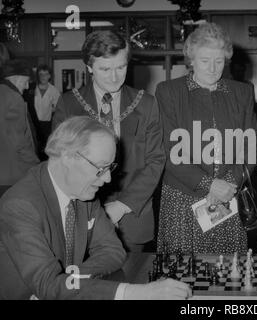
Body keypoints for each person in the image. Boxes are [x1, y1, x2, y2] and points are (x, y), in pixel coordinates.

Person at [0, 116, 191, 300]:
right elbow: (47, 285)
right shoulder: (20, 206)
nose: (107, 178)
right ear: (67, 157)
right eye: (101, 168)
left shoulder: (84, 193)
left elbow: (113, 251)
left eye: (110, 168)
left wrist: (67, 282)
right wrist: (137, 294)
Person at [53, 30, 166, 252]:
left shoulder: (147, 105)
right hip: (80, 217)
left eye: (121, 67)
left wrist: (122, 206)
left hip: (131, 218)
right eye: (105, 69)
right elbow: (59, 163)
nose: (114, 77)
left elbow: (156, 161)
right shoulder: (68, 104)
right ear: (88, 66)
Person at [155, 22, 257, 254]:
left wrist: (229, 184)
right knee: (182, 273)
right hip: (183, 197)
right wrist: (209, 184)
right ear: (191, 60)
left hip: (228, 195)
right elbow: (169, 149)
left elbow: (250, 146)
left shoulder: (242, 92)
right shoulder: (169, 91)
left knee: (228, 274)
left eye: (219, 61)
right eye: (204, 61)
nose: (212, 68)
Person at [0, 59, 40, 196]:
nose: (27, 86)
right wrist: (37, 166)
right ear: (16, 78)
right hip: (13, 174)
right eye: (25, 81)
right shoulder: (13, 98)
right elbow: (19, 142)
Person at [33, 64, 61, 153]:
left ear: (49, 76)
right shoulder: (31, 89)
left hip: (46, 124)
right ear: (37, 75)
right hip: (33, 123)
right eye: (41, 74)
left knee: (45, 148)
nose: (43, 77)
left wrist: (52, 110)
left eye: (46, 74)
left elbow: (59, 107)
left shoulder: (54, 90)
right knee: (34, 146)